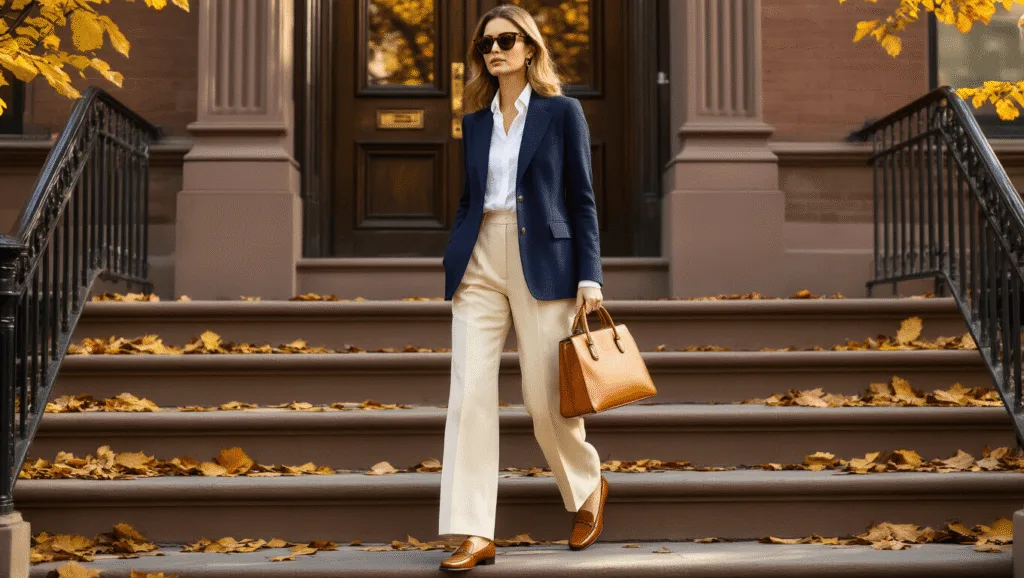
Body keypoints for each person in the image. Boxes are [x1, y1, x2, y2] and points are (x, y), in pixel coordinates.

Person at [437, 3, 609, 572]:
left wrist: (591, 275)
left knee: (543, 400)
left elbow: (581, 199)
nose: (495, 50)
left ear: (529, 48)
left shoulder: (562, 113)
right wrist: (458, 250)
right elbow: (468, 196)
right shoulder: (476, 121)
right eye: (486, 43)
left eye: (507, 40)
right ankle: (474, 532)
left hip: (546, 261)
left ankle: (587, 488)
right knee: (470, 397)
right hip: (481, 257)